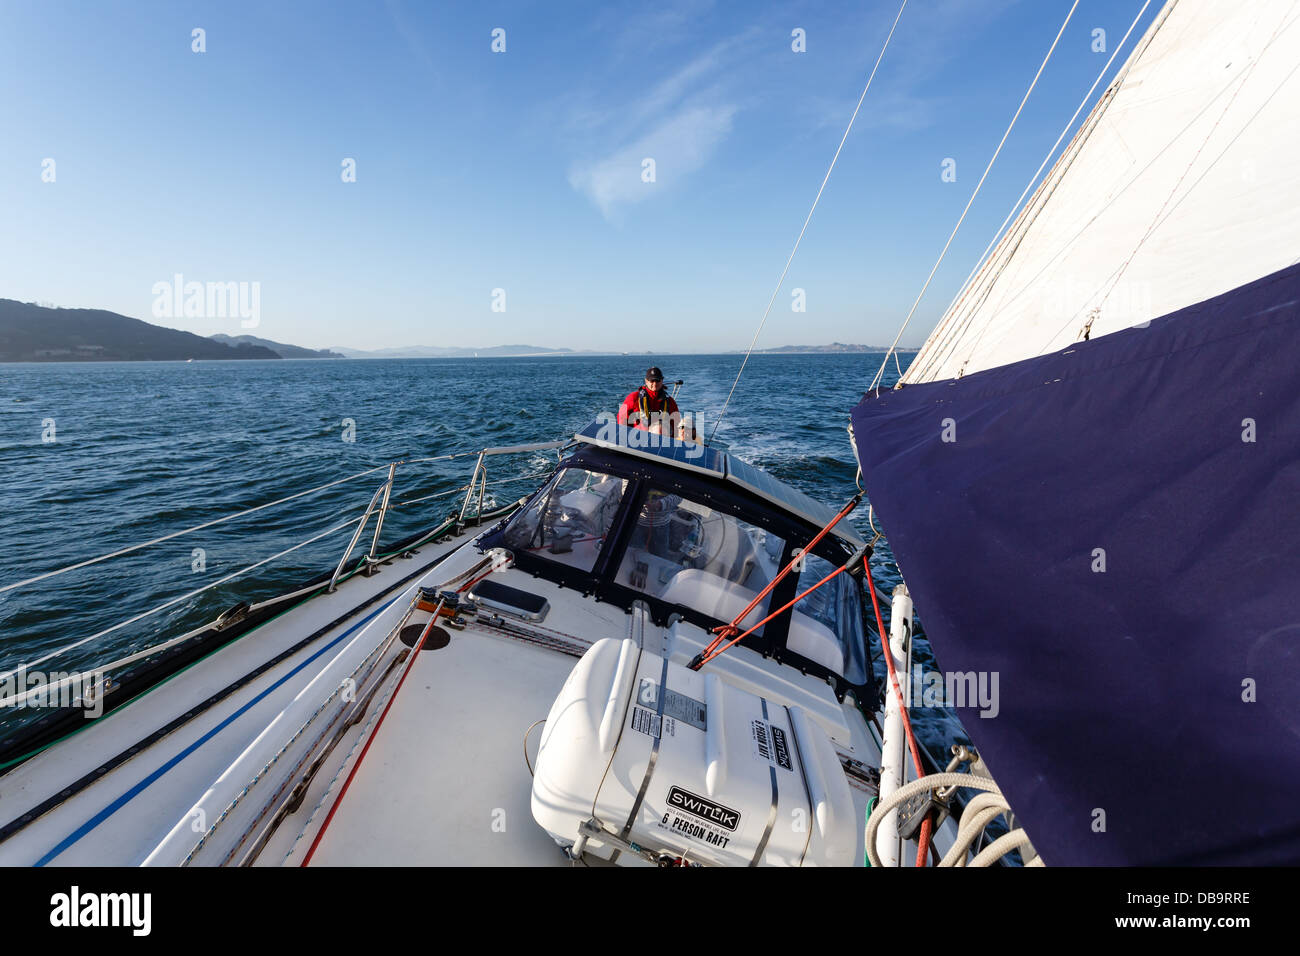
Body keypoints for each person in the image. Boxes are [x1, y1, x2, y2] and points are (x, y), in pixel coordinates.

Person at [617, 367, 681, 435]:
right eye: (652, 381)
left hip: (663, 440)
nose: (655, 383)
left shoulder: (670, 402)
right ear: (646, 381)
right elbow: (621, 419)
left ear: (662, 380)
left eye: (657, 380)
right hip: (637, 439)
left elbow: (676, 425)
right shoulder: (633, 398)